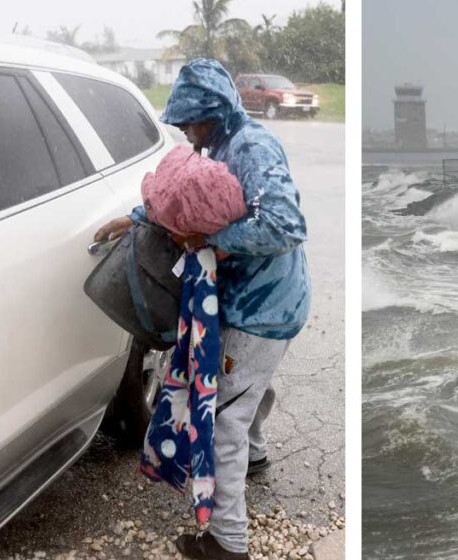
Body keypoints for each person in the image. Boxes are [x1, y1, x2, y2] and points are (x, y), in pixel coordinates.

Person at [94, 59, 311, 560]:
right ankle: (255, 457)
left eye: (191, 122)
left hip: (263, 307)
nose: (187, 135)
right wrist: (136, 219)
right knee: (254, 385)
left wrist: (210, 239)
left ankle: (228, 543)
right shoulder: (217, 143)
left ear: (212, 113)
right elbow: (190, 199)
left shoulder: (252, 148)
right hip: (261, 303)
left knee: (224, 420)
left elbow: (285, 225)